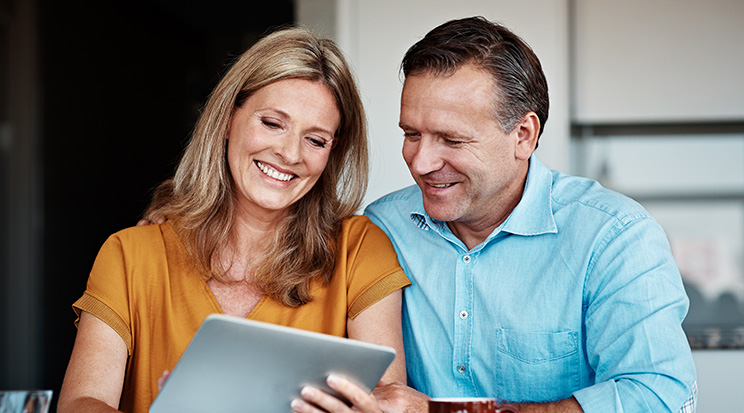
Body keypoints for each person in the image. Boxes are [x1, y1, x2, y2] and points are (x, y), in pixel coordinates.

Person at [293, 16, 697, 413]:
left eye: (451, 139)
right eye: (411, 134)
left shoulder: (613, 236)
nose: (421, 161)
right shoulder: (382, 229)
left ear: (523, 136)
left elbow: (659, 397)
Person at [57, 27, 410, 413]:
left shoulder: (359, 249)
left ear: (332, 152)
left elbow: (390, 400)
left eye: (316, 139)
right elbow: (80, 402)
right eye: (272, 123)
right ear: (227, 118)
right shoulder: (129, 254)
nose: (290, 153)